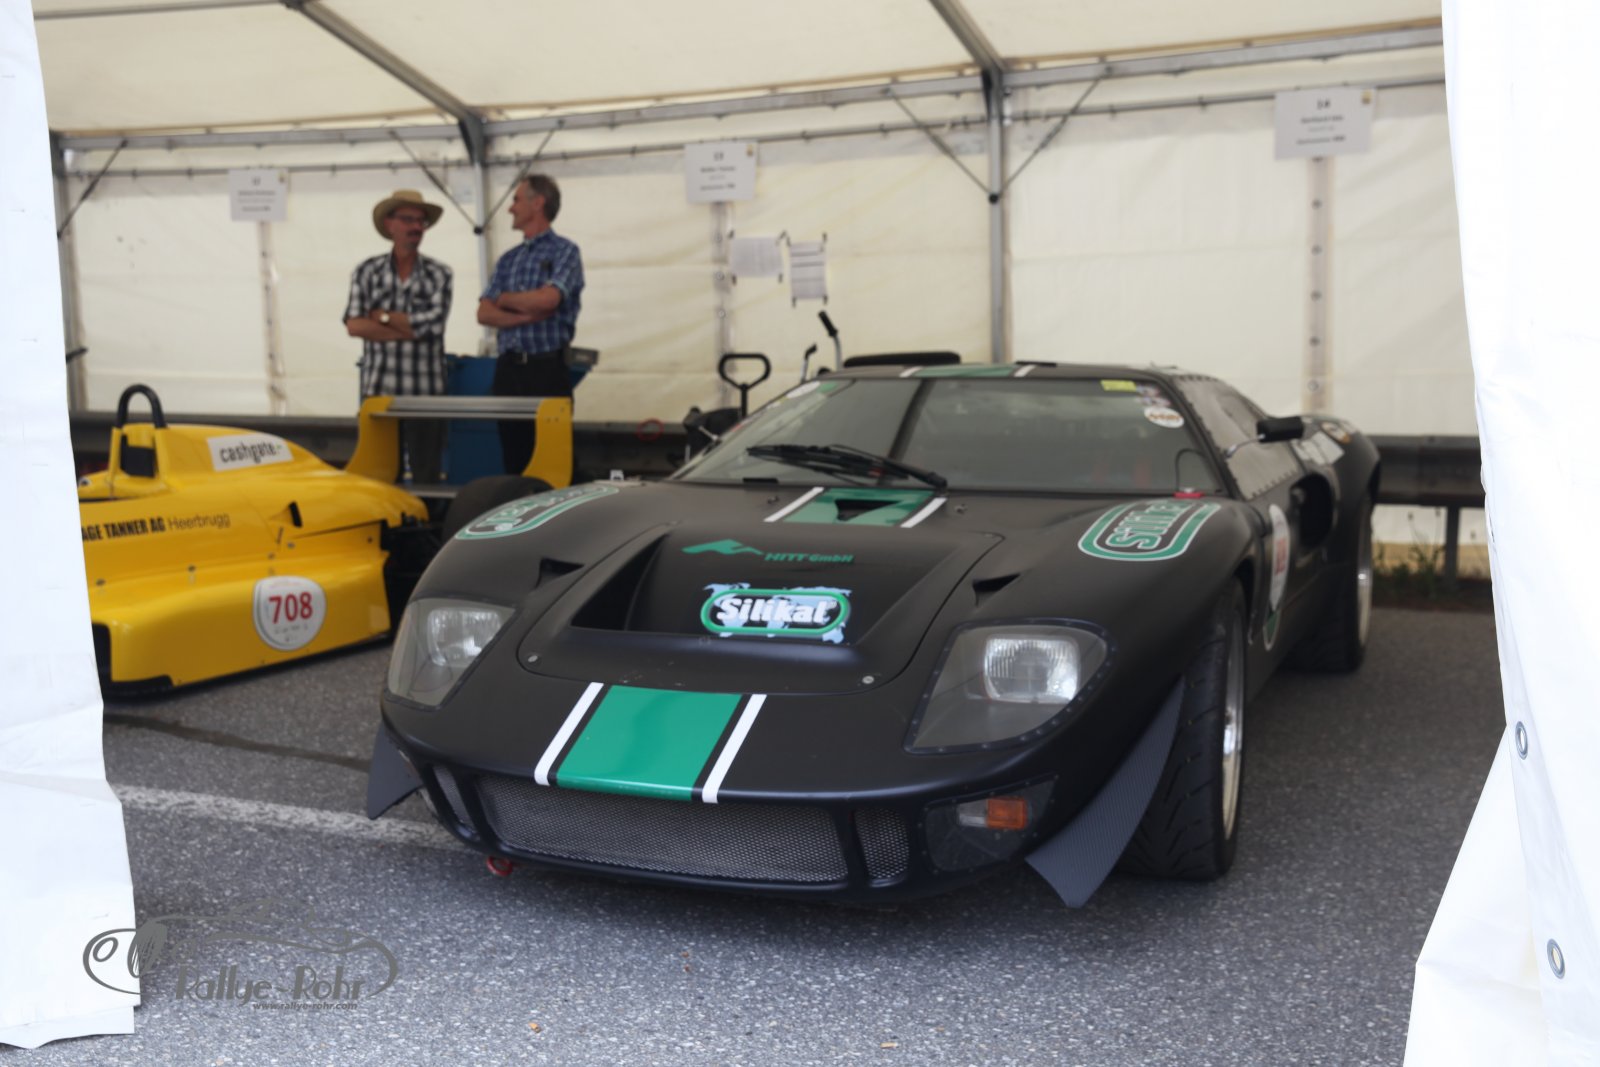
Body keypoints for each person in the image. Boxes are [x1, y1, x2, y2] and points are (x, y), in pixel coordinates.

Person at [478, 174, 585, 476]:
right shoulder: (507, 260)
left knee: (554, 461)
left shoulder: (565, 251)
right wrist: (524, 314)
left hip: (546, 369)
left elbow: (549, 300)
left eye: (515, 200)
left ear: (538, 203)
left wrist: (505, 300)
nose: (510, 208)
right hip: (508, 370)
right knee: (514, 460)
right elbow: (484, 313)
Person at [344, 189, 453, 483]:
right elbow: (354, 325)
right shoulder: (367, 271)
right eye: (408, 219)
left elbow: (433, 327)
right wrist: (409, 328)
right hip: (379, 393)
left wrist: (381, 317)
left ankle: (427, 516)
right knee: (379, 478)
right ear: (389, 224)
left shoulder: (439, 273)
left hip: (426, 394)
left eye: (421, 221)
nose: (416, 227)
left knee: (427, 478)